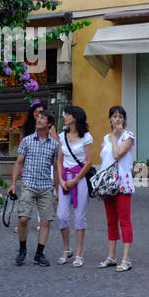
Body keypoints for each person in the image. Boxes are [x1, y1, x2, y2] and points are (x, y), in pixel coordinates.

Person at [8, 109, 60, 267]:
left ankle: (39, 253)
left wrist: (57, 190)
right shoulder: (27, 140)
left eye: (43, 118)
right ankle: (22, 249)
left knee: (45, 222)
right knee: (23, 219)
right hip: (28, 185)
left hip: (46, 187)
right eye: (38, 117)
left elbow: (56, 169)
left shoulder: (55, 145)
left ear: (49, 124)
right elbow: (19, 162)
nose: (38, 119)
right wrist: (13, 183)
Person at [96, 106, 137, 271]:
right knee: (111, 221)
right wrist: (111, 137)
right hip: (108, 184)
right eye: (114, 116)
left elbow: (118, 154)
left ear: (124, 120)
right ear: (110, 119)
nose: (118, 119)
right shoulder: (105, 138)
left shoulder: (128, 136)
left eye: (121, 117)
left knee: (124, 221)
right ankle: (111, 256)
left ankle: (126, 258)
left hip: (123, 183)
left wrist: (114, 138)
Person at [55, 106, 93, 267]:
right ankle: (66, 248)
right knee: (62, 215)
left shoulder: (86, 138)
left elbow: (89, 162)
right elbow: (59, 160)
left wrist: (76, 179)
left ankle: (79, 253)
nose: (65, 117)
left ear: (75, 117)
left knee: (79, 217)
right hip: (65, 178)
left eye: (68, 114)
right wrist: (61, 181)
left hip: (80, 179)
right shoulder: (62, 136)